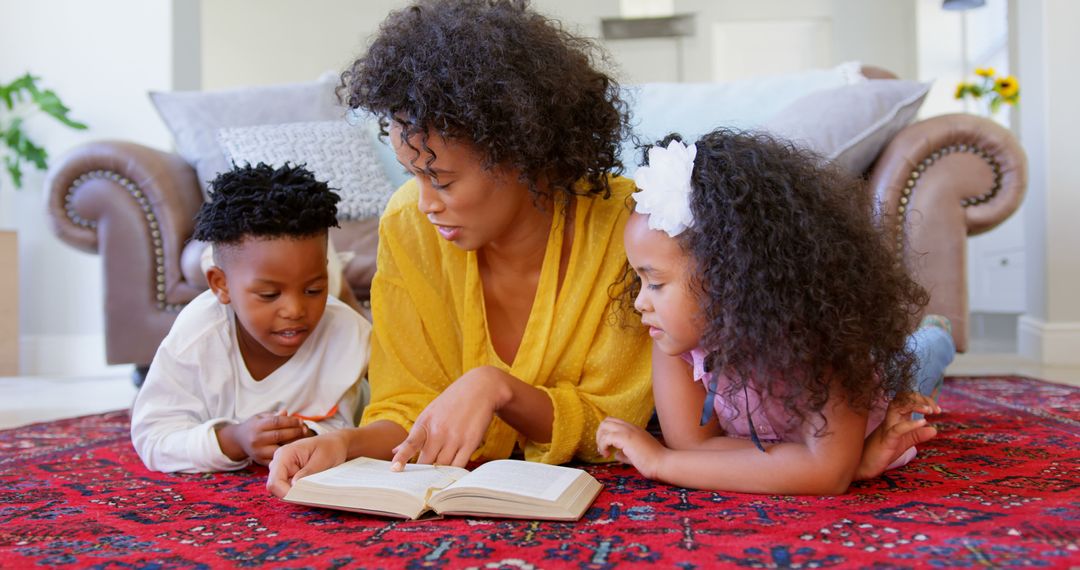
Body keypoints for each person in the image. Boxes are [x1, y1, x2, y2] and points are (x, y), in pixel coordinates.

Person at [266, 0, 653, 497]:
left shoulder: (624, 225)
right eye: (414, 175)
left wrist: (499, 389)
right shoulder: (409, 224)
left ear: (524, 153)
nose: (425, 203)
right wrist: (345, 444)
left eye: (442, 180)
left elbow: (615, 424)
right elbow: (409, 406)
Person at [595, 129, 955, 494]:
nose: (639, 302)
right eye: (638, 279)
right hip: (831, 451)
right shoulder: (674, 339)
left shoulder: (826, 340)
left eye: (655, 283)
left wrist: (662, 463)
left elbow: (825, 475)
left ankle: (938, 335)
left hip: (873, 396)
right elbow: (695, 446)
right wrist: (844, 464)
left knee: (915, 364)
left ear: (731, 277)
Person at [130, 163, 372, 473]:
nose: (295, 310)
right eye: (270, 295)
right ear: (221, 284)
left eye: (314, 289)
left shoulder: (348, 334)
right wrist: (234, 439)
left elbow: (357, 423)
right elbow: (154, 438)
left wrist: (312, 437)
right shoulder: (198, 337)